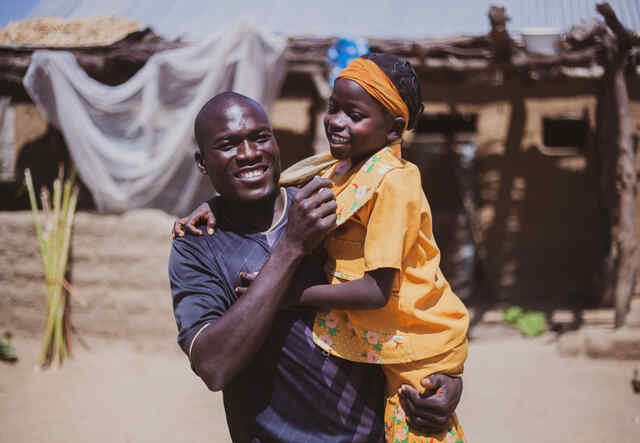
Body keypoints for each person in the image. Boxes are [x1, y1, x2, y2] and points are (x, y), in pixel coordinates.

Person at [170, 92, 463, 442]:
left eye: (260, 137)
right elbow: (213, 366)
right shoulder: (199, 244)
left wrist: (447, 377)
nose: (249, 154)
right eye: (229, 145)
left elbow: (413, 297)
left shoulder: (333, 207)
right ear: (202, 163)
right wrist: (292, 246)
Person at [282, 54, 469, 443]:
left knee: (415, 432)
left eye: (354, 114)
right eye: (333, 108)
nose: (336, 121)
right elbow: (277, 191)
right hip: (390, 342)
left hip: (418, 349)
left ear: (393, 130)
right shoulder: (340, 169)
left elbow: (375, 290)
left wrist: (291, 295)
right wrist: (211, 209)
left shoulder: (395, 182)